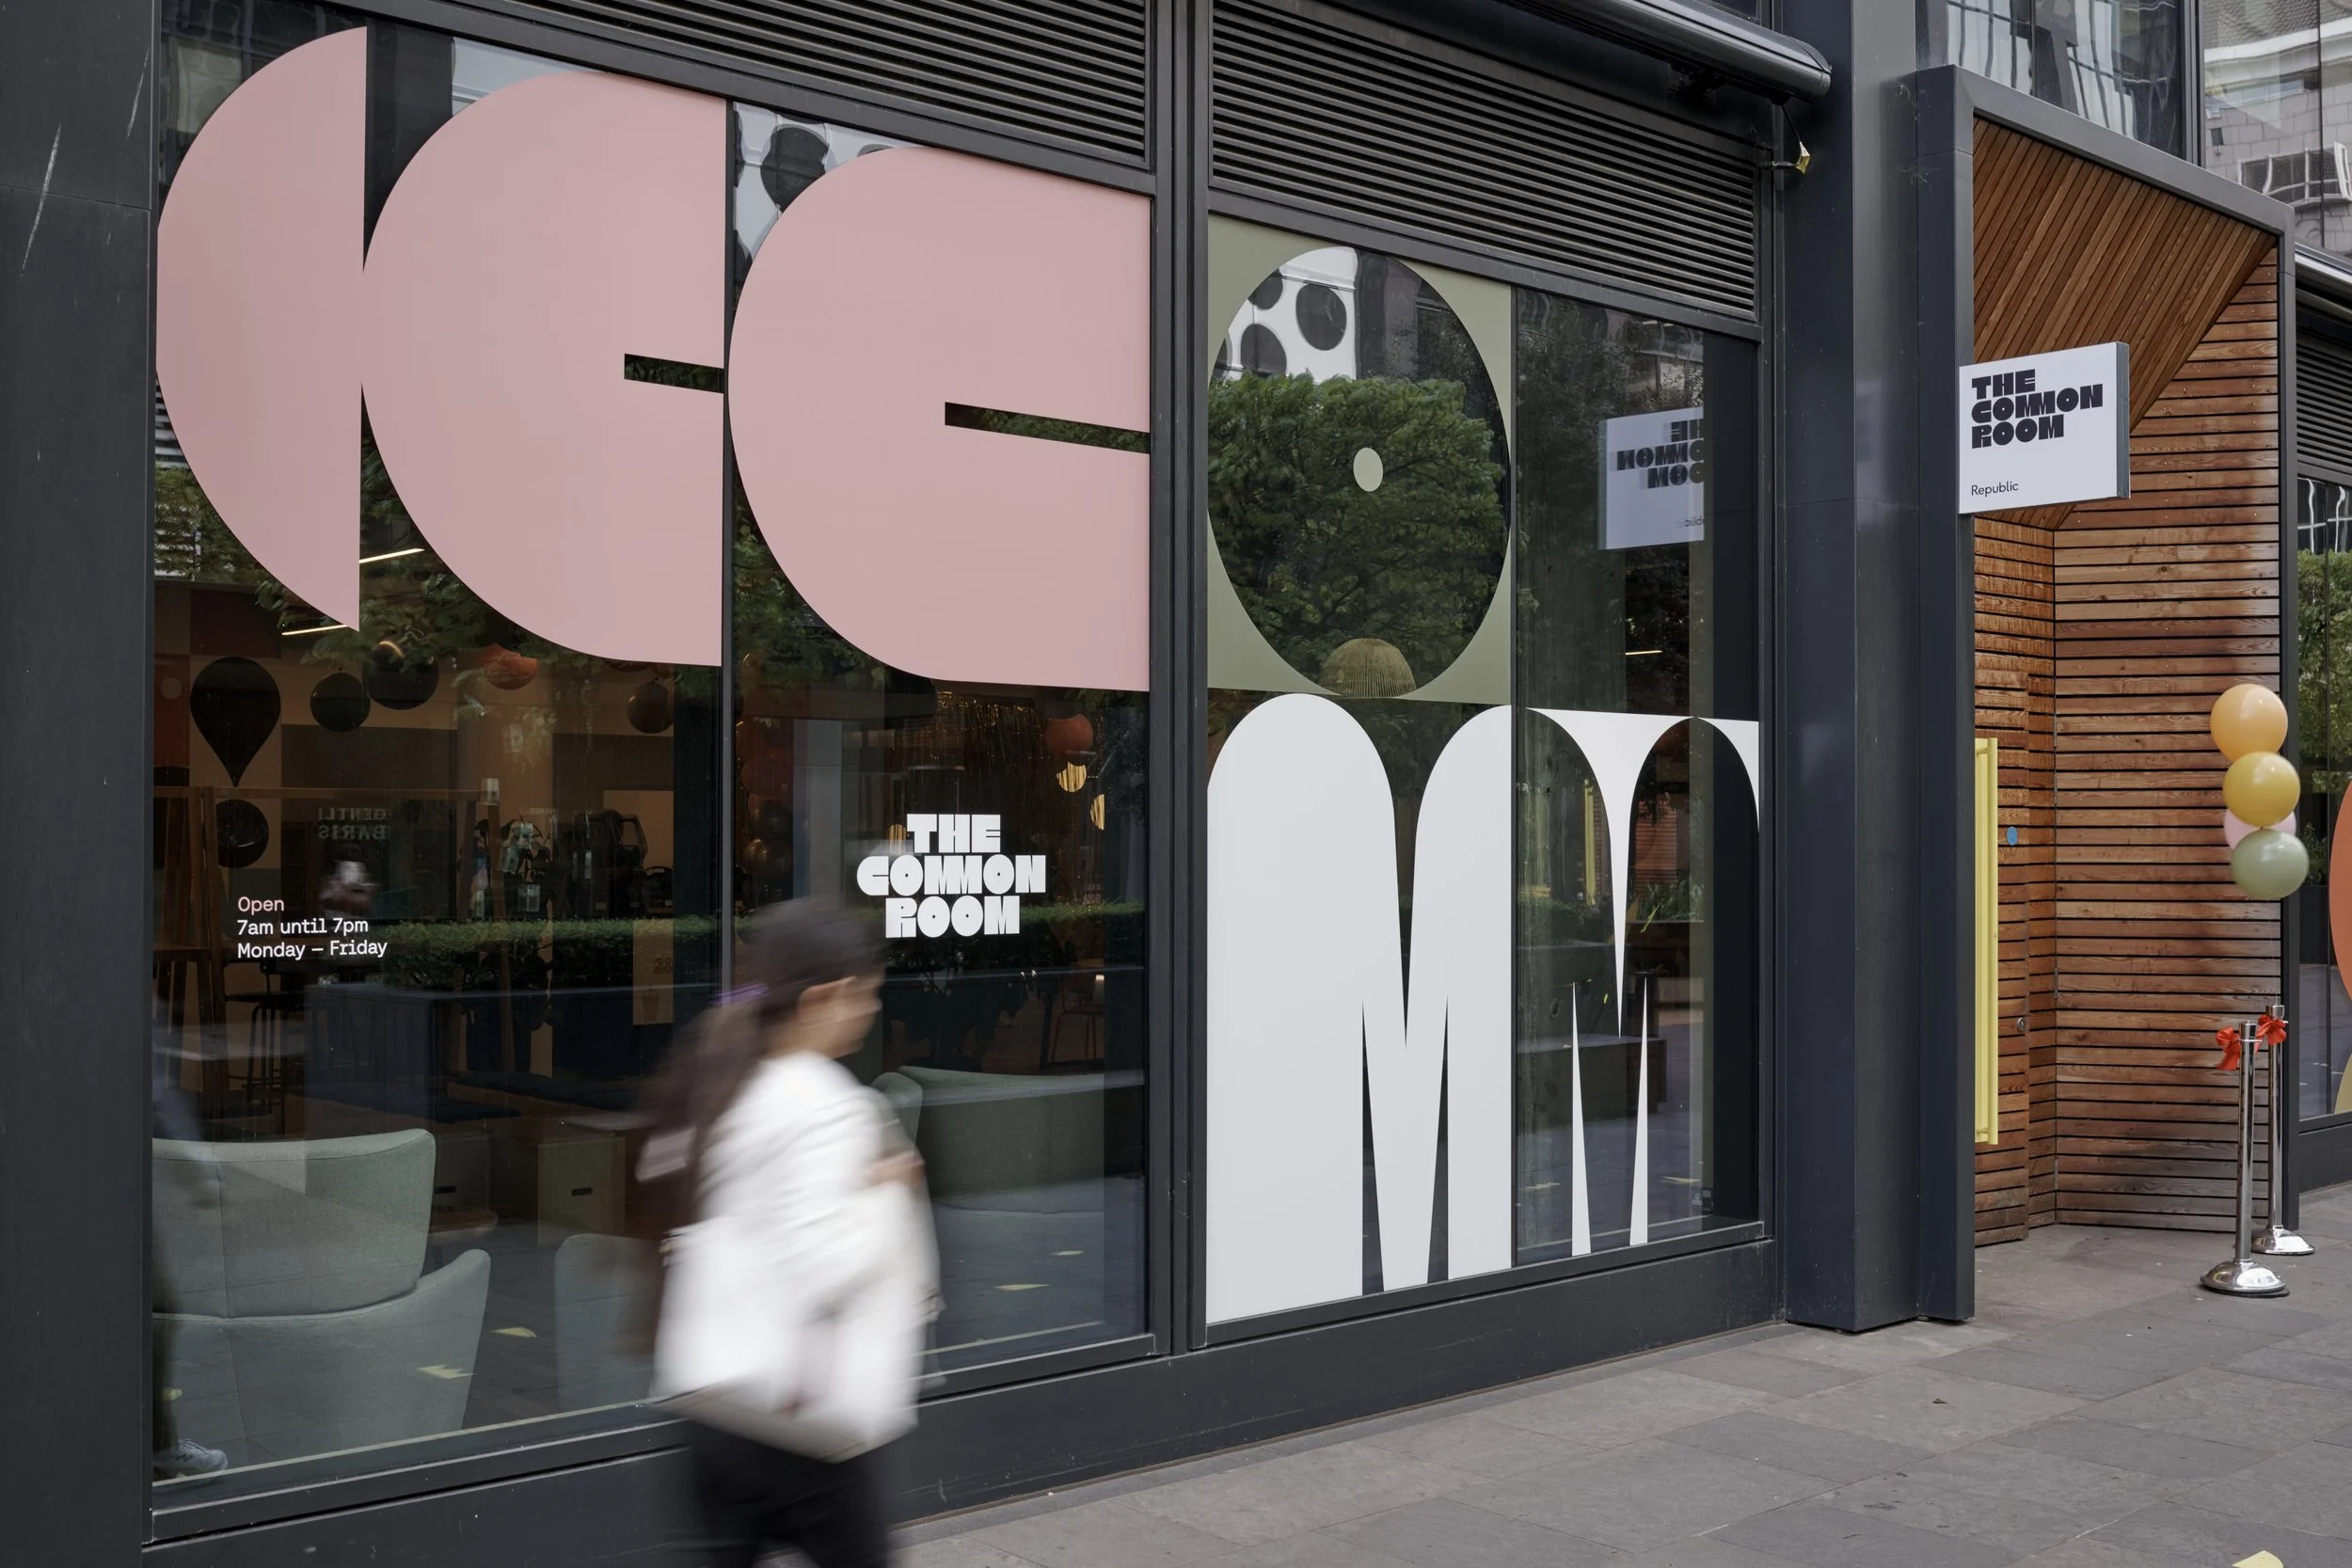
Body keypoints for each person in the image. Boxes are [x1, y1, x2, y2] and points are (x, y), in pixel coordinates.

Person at [641, 900, 936, 1568]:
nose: (868, 1013)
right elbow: (820, 1262)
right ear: (822, 998)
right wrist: (889, 1195)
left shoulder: (727, 1076)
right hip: (799, 1418)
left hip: (715, 1398)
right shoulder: (827, 1102)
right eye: (865, 996)